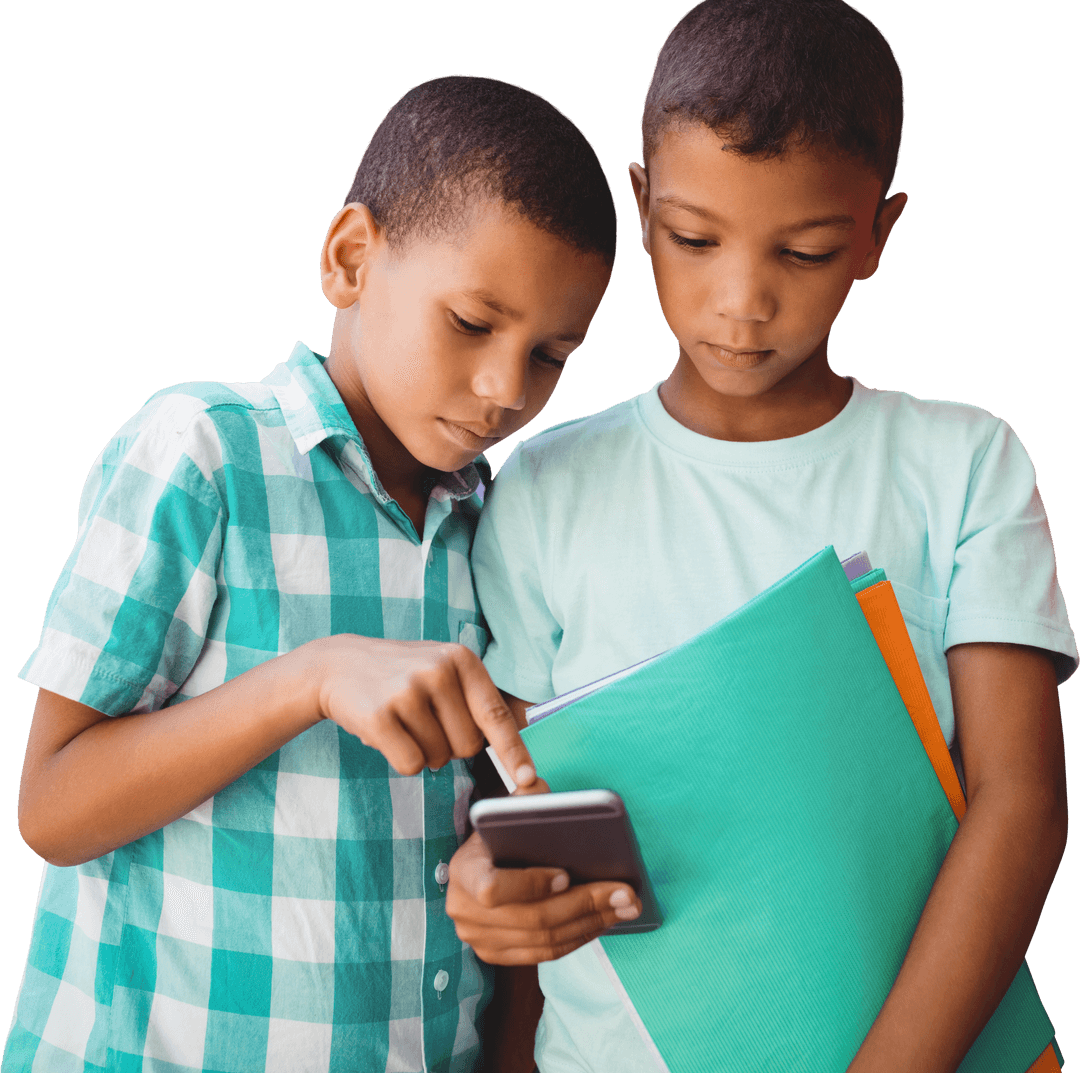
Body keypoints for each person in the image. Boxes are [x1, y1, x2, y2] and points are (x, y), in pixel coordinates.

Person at [444, 3, 1077, 1071]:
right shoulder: (545, 485)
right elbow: (519, 812)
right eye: (696, 239)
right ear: (641, 207)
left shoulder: (963, 463)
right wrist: (482, 884)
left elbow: (1023, 804)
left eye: (808, 249)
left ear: (878, 232)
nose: (743, 301)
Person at [5, 75, 632, 1073]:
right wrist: (310, 677)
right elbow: (53, 804)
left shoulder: (499, 529)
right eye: (472, 322)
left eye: (551, 353)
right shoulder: (202, 453)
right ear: (350, 258)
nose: (507, 390)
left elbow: (498, 839)